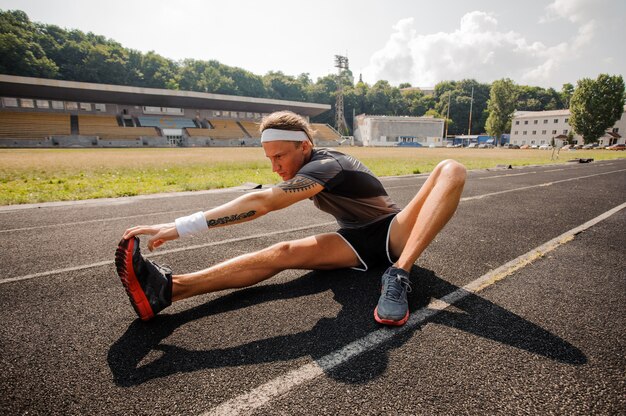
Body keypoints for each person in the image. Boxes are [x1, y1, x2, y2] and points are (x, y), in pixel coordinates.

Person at [115, 111, 466, 326]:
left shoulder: (328, 164)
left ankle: (400, 273)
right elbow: (265, 197)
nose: (275, 166)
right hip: (354, 242)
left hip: (393, 231)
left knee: (451, 168)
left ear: (304, 146)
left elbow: (263, 202)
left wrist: (178, 227)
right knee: (282, 252)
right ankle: (167, 290)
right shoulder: (305, 166)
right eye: (269, 158)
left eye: (280, 156)